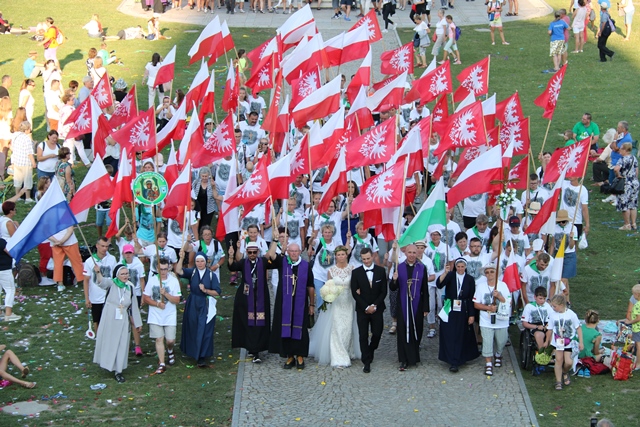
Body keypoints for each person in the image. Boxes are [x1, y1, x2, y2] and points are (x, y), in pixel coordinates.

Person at [268, 239, 315, 370]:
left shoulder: (306, 266)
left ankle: (300, 355)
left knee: (300, 329)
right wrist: (275, 241)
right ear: (288, 252)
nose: (294, 253)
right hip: (284, 303)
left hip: (301, 303)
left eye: (296, 251)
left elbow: (310, 286)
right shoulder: (283, 263)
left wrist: (312, 305)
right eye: (291, 251)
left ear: (300, 252)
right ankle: (289, 356)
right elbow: (271, 255)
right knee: (286, 328)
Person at [309, 245, 359, 368]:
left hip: (348, 302)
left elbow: (355, 286)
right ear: (335, 256)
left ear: (346, 255)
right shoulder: (331, 271)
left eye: (343, 254)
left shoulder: (352, 269)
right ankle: (339, 356)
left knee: (347, 327)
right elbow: (329, 286)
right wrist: (328, 295)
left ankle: (347, 350)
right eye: (338, 255)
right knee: (337, 328)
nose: (341, 257)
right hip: (336, 303)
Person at [92, 264, 143, 383]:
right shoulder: (111, 283)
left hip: (122, 318)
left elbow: (134, 307)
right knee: (109, 341)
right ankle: (106, 362)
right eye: (122, 274)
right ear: (117, 275)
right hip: (109, 317)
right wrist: (98, 272)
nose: (125, 276)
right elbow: (101, 282)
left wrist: (137, 323)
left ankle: (118, 370)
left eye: (127, 273)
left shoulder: (130, 287)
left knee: (121, 343)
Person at [228, 241, 273, 363]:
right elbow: (232, 267)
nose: (252, 254)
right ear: (247, 252)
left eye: (254, 252)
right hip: (247, 298)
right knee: (249, 323)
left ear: (258, 252)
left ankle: (257, 349)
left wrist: (275, 242)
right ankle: (252, 348)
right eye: (250, 252)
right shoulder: (243, 263)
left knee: (260, 323)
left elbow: (272, 258)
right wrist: (231, 256)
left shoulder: (263, 262)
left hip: (261, 297)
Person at [389, 244, 429, 371]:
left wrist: (426, 307)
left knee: (417, 329)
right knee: (402, 331)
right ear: (405, 253)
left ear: (417, 253)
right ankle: (403, 359)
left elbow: (425, 288)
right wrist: (394, 280)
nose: (412, 255)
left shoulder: (422, 268)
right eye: (409, 252)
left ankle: (414, 357)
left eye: (414, 252)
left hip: (417, 304)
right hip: (403, 304)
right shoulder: (399, 267)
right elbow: (393, 288)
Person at [176, 251, 220, 368]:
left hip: (204, 303)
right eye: (197, 261)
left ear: (206, 262)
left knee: (204, 328)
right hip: (193, 303)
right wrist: (181, 258)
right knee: (193, 326)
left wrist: (206, 290)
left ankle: (202, 356)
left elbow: (217, 292)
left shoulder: (211, 275)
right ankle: (193, 351)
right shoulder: (193, 272)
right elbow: (179, 270)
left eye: (202, 261)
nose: (200, 263)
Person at [436, 258, 479, 372]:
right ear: (455, 267)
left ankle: (459, 358)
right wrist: (445, 273)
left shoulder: (469, 279)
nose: (460, 269)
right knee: (449, 333)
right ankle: (451, 359)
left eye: (462, 267)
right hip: (450, 306)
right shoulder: (450, 275)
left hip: (463, 308)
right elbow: (439, 284)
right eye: (458, 267)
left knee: (461, 333)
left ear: (465, 267)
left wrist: (471, 314)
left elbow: (471, 298)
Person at [350, 247, 386, 373]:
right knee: (363, 335)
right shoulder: (356, 273)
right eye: (364, 259)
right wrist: (366, 307)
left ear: (373, 257)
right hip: (362, 309)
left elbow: (383, 291)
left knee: (377, 333)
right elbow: (354, 293)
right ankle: (366, 361)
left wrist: (374, 305)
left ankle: (371, 349)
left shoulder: (381, 271)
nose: (366, 261)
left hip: (377, 308)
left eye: (368, 258)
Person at [143, 258, 181, 374]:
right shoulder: (152, 280)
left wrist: (166, 294)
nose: (163, 271)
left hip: (169, 315)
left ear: (168, 268)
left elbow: (177, 300)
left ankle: (170, 349)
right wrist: (157, 304)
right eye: (161, 269)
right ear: (157, 269)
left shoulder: (173, 281)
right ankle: (162, 363)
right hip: (155, 315)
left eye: (165, 269)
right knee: (159, 339)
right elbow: (146, 298)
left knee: (170, 340)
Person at [473, 262, 512, 376]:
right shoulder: (481, 287)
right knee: (487, 341)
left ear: (496, 273)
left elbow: (509, 302)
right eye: (487, 272)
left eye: (492, 271)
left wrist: (499, 296)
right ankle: (488, 363)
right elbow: (476, 304)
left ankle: (498, 354)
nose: (489, 274)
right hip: (486, 319)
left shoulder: (503, 285)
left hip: (501, 319)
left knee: (501, 341)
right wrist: (488, 308)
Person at [547, 294, 583, 390]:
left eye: (555, 306)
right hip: (557, 342)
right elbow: (550, 329)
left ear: (562, 305)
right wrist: (547, 341)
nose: (553, 308)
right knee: (558, 360)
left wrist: (581, 342)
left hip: (568, 342)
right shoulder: (552, 315)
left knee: (568, 362)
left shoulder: (571, 314)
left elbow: (578, 328)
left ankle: (565, 371)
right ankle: (558, 381)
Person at [83, 237, 118, 333]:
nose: (105, 249)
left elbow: (115, 277)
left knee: (110, 320)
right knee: (97, 320)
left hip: (109, 295)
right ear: (97, 246)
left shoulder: (112, 259)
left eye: (107, 246)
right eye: (102, 246)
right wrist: (87, 298)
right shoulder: (89, 261)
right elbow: (86, 280)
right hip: (96, 297)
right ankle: (99, 338)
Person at [121, 244, 145, 357]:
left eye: (130, 253)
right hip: (123, 294)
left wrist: (143, 295)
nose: (128, 255)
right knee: (123, 319)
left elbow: (142, 280)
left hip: (135, 294)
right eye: (126, 253)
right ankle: (124, 343)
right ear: (123, 254)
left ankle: (137, 345)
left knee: (134, 319)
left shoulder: (138, 264)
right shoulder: (120, 264)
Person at [49, 225, 85, 292]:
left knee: (58, 263)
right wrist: (61, 242)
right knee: (76, 261)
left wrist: (57, 241)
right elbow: (70, 230)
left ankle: (60, 284)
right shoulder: (67, 218)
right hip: (69, 242)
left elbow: (46, 233)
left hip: (56, 243)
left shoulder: (47, 219)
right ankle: (81, 280)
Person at [613, 142, 638, 230]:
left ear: (626, 150)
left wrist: (618, 175)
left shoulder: (622, 159)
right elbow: (636, 171)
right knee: (633, 204)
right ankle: (634, 223)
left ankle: (627, 224)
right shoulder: (634, 158)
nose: (619, 150)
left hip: (625, 183)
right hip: (634, 183)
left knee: (624, 204)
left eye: (621, 148)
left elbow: (616, 169)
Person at [10, 121, 37, 203]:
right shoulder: (26, 139)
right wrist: (33, 163)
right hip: (25, 162)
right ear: (27, 129)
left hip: (17, 161)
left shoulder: (16, 136)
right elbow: (29, 153)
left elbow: (12, 149)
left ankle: (17, 196)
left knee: (17, 180)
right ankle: (27, 198)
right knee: (27, 180)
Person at [521, 286, 552, 350]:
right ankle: (541, 352)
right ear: (535, 297)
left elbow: (552, 318)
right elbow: (524, 323)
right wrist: (537, 327)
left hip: (546, 325)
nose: (543, 301)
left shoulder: (547, 306)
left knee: (553, 334)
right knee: (539, 335)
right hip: (535, 326)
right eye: (540, 298)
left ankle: (550, 352)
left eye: (544, 298)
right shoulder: (529, 306)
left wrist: (548, 325)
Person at [0, 237, 20, 321]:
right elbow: (9, 252)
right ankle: (9, 314)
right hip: (4, 269)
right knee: (10, 290)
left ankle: (0, 313)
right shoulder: (1, 241)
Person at [623, 284, 640, 358]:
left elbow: (638, 318)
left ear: (637, 294)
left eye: (633, 294)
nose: (632, 295)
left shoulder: (637, 305)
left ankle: (638, 361)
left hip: (637, 328)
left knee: (638, 345)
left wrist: (629, 322)